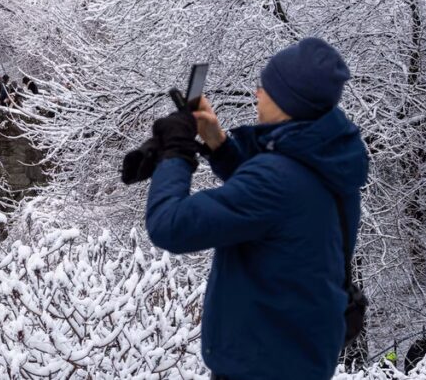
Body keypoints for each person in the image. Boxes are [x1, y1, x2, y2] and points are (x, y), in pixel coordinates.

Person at [142, 38, 368, 380]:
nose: (257, 93)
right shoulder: (331, 160)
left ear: (289, 101)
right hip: (299, 360)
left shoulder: (276, 180)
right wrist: (219, 146)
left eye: (266, 87)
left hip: (259, 368)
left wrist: (175, 153)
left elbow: (168, 225)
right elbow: (279, 205)